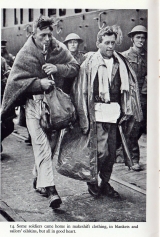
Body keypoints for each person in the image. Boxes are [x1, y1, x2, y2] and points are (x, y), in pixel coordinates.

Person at [1, 16, 79, 209]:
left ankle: (38, 177)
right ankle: (51, 190)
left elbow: (75, 68)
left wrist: (57, 68)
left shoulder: (59, 48)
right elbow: (15, 82)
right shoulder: (25, 53)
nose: (47, 39)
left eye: (49, 35)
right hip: (33, 107)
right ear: (33, 34)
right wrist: (38, 83)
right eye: (42, 35)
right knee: (41, 147)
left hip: (54, 108)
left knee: (50, 148)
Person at [72, 26, 143, 197]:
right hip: (96, 113)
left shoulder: (121, 62)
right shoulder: (89, 62)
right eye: (107, 43)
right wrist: (83, 117)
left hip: (115, 114)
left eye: (113, 42)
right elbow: (80, 90)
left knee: (111, 153)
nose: (111, 46)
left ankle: (105, 183)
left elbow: (129, 89)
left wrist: (128, 110)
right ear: (98, 43)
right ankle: (92, 180)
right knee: (100, 151)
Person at [122, 25, 147, 171]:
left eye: (143, 38)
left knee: (140, 127)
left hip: (144, 97)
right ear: (132, 39)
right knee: (133, 128)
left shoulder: (150, 56)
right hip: (131, 97)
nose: (141, 40)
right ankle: (133, 159)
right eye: (138, 37)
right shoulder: (125, 56)